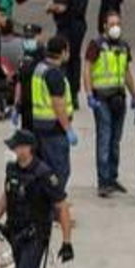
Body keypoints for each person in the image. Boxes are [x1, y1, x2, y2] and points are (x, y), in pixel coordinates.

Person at [0, 130, 74, 268]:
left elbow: (62, 206)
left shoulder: (44, 174)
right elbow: (6, 193)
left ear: (28, 148)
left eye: (17, 146)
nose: (14, 150)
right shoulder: (12, 169)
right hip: (15, 234)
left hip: (35, 236)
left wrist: (67, 241)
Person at [83, 12, 135, 197]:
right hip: (101, 98)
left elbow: (126, 72)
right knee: (104, 138)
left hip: (118, 98)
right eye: (112, 24)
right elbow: (87, 69)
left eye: (118, 24)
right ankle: (103, 181)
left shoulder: (123, 46)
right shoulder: (96, 45)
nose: (116, 27)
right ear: (105, 26)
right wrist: (89, 94)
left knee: (115, 141)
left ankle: (113, 178)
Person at [29, 38, 76, 189]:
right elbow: (58, 105)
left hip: (40, 125)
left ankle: (46, 199)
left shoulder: (39, 68)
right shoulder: (54, 74)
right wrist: (68, 129)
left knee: (45, 168)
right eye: (67, 51)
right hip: (54, 128)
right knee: (60, 171)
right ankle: (55, 200)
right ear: (63, 52)